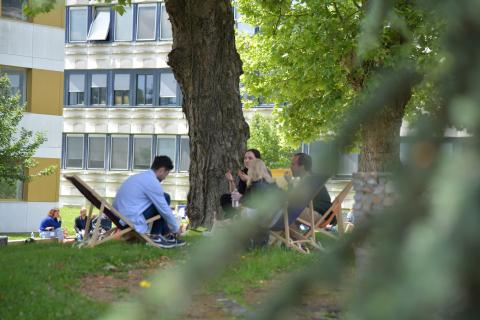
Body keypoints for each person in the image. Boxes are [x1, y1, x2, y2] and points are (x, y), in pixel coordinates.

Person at [112, 155, 185, 248]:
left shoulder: (140, 177)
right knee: (165, 198)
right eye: (166, 174)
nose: (165, 178)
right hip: (128, 218)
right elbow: (164, 209)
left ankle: (166, 235)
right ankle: (157, 236)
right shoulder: (152, 182)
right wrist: (176, 229)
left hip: (119, 215)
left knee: (162, 199)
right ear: (161, 170)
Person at [287, 153, 333, 230]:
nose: (290, 167)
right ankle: (296, 240)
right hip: (315, 212)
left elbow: (293, 200)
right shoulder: (309, 179)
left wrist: (290, 184)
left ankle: (296, 239)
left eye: (293, 164)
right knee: (283, 213)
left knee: (284, 211)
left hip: (319, 215)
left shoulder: (311, 180)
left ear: (302, 167)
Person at [220, 148, 262, 219]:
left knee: (228, 215)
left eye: (250, 158)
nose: (247, 160)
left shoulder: (262, 171)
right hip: (243, 202)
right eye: (245, 158)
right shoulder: (244, 172)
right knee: (225, 198)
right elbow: (235, 194)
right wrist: (231, 181)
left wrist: (249, 179)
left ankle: (236, 218)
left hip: (256, 203)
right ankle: (236, 217)